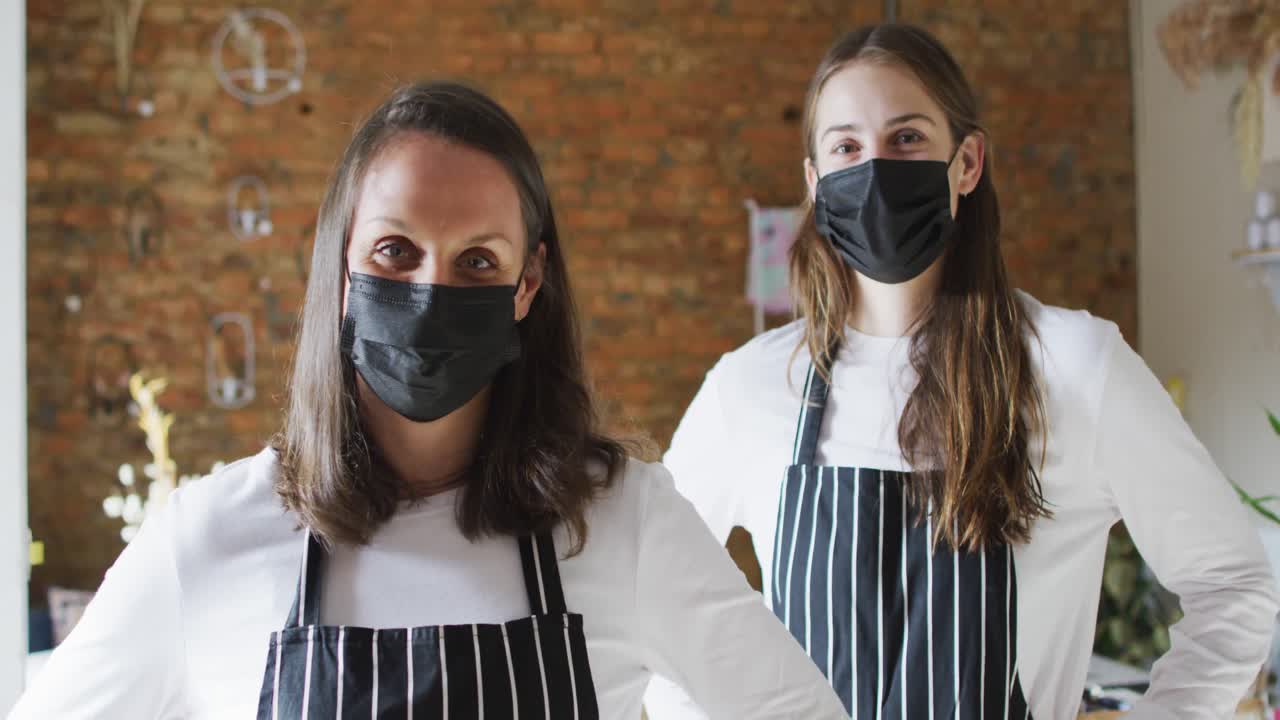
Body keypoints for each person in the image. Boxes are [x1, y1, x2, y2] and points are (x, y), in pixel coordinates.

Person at [10, 82, 847, 720]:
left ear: (528, 283)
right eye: (395, 250)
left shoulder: (621, 521)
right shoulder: (209, 538)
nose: (429, 288)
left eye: (476, 261)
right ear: (342, 268)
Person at [644, 23, 1279, 720]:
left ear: (968, 163)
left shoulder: (1074, 368)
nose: (876, 169)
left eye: (908, 138)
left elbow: (1236, 585)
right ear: (816, 182)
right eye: (847, 148)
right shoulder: (749, 388)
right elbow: (655, 608)